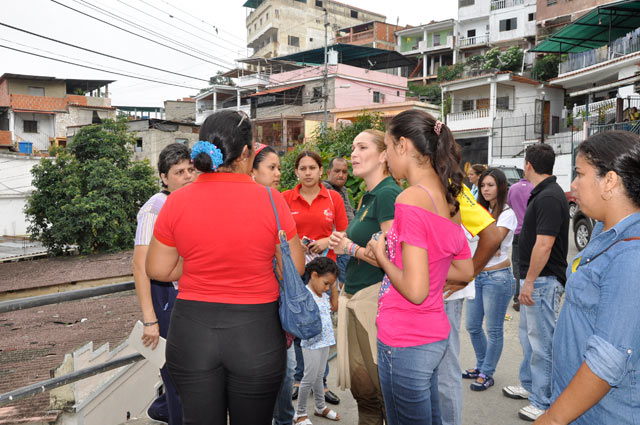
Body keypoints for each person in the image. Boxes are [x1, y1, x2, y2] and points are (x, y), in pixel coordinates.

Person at [145, 110, 305, 425]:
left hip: (192, 330)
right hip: (256, 333)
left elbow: (159, 270)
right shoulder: (272, 201)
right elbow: (294, 268)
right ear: (246, 153)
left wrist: (194, 264)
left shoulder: (177, 201)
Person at [367, 110, 474, 425]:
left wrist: (382, 255)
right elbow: (464, 270)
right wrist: (421, 270)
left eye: (386, 148)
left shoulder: (410, 199)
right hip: (433, 334)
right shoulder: (448, 198)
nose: (385, 157)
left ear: (403, 145)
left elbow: (415, 290)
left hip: (405, 336)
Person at [532, 131, 640, 425]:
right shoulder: (604, 231)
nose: (573, 185)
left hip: (604, 414)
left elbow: (607, 361)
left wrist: (553, 419)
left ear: (610, 181)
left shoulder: (631, 257)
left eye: (580, 174)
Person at [328, 129, 402, 425]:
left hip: (373, 301)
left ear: (384, 155)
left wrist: (350, 248)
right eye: (352, 147)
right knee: (365, 393)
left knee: (380, 392)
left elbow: (394, 258)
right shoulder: (369, 196)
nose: (353, 154)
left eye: (362, 147)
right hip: (356, 299)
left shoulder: (387, 194)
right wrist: (334, 242)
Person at [502, 143, 569, 422]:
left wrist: (528, 282)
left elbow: (544, 245)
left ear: (528, 165)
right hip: (535, 279)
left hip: (542, 280)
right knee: (529, 338)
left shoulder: (549, 196)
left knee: (542, 342)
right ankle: (530, 386)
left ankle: (543, 400)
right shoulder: (541, 193)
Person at [133, 143, 194, 424]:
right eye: (179, 172)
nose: (187, 176)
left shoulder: (189, 203)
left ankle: (162, 409)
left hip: (189, 298)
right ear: (164, 177)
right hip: (166, 297)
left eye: (190, 170)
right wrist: (149, 319)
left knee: (187, 375)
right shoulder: (154, 209)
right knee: (177, 377)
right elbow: (140, 264)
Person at [284, 150, 348, 406]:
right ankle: (300, 380)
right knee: (299, 327)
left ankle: (321, 382)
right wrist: (294, 242)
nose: (308, 172)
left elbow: (344, 230)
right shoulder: (285, 198)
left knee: (322, 328)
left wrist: (325, 240)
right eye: (303, 168)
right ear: (296, 172)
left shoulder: (333, 198)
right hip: (296, 272)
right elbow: (276, 231)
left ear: (321, 171)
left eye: (312, 167)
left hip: (325, 273)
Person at [250, 143, 296, 425]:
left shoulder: (276, 199)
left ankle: (285, 420)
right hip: (260, 302)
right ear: (252, 171)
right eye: (272, 168)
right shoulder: (261, 203)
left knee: (286, 372)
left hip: (277, 300)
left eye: (279, 168)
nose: (278, 173)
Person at [463, 168, 517, 391]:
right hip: (477, 276)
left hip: (498, 277)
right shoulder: (478, 211)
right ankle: (482, 365)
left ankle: (487, 372)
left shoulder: (507, 213)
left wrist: (481, 241)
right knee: (473, 326)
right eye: (483, 185)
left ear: (501, 187)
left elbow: (493, 242)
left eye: (491, 185)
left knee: (493, 330)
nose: (485, 189)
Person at [294, 257, 341, 425]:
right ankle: (299, 414)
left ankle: (320, 407)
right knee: (308, 378)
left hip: (325, 341)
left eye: (330, 285)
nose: (328, 287)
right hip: (312, 343)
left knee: (319, 376)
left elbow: (335, 306)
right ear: (314, 275)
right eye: (326, 283)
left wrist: (333, 286)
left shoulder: (322, 294)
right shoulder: (305, 295)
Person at [323, 157, 355, 289]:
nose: (341, 175)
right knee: (340, 289)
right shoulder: (326, 191)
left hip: (347, 246)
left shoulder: (343, 190)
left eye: (344, 171)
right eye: (337, 171)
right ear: (328, 172)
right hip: (337, 249)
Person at [507, 176, 534, 312]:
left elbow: (509, 206)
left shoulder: (512, 188)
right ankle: (529, 294)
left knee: (517, 266)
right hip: (530, 232)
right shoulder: (534, 188)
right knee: (531, 264)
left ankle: (517, 297)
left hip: (516, 232)